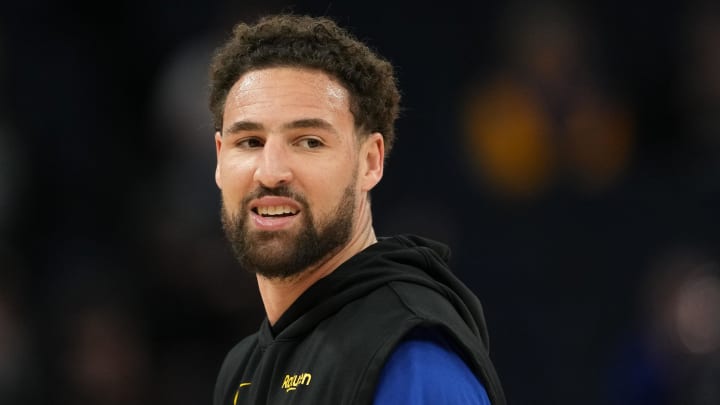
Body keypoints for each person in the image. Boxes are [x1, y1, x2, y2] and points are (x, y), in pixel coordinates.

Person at [208, 14, 506, 405]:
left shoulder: (409, 356)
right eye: (249, 142)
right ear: (218, 158)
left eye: (309, 141)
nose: (271, 171)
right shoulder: (242, 367)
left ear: (371, 162)